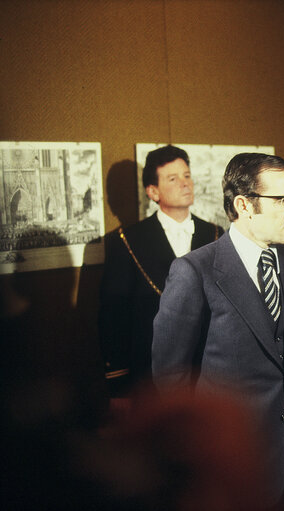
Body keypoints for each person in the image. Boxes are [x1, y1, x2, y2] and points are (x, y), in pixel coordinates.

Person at [152, 153, 284, 510]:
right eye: (282, 201)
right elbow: (171, 379)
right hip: (235, 470)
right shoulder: (194, 272)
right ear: (244, 205)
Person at [98, 145, 223, 397]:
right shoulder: (126, 241)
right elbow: (114, 318)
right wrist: (118, 387)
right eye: (173, 179)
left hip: (209, 375)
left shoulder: (216, 234)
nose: (185, 184)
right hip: (150, 376)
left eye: (187, 175)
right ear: (153, 191)